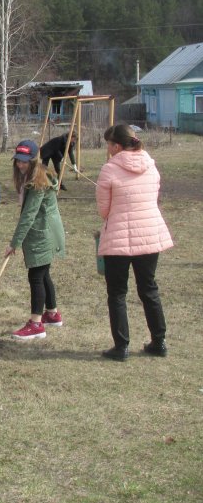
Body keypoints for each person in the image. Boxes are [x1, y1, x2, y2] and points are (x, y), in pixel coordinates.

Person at [96, 124, 173, 361]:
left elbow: (104, 210)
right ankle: (159, 341)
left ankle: (121, 347)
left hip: (119, 238)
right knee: (149, 288)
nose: (108, 149)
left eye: (109, 144)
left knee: (117, 293)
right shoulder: (151, 166)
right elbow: (153, 197)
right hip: (150, 235)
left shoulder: (109, 170)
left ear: (117, 146)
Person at [5, 140, 65, 340]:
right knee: (44, 273)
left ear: (33, 160)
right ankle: (52, 314)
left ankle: (36, 324)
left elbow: (29, 215)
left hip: (42, 234)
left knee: (36, 276)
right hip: (45, 231)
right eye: (18, 161)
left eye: (24, 162)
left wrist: (14, 243)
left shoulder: (38, 182)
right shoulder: (31, 177)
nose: (20, 165)